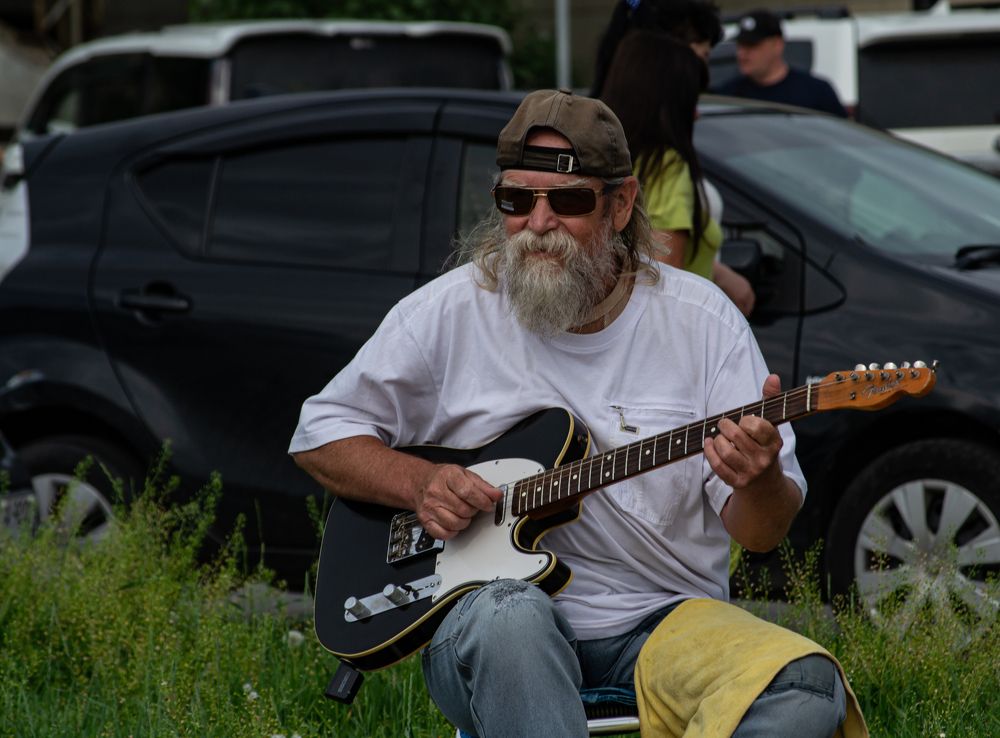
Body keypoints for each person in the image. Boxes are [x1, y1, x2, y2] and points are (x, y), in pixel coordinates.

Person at [289, 90, 866, 737]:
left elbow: (761, 534)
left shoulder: (701, 322)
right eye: (516, 200)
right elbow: (320, 434)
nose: (538, 222)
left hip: (663, 620)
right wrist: (418, 483)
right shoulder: (450, 312)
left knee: (806, 686)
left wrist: (757, 477)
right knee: (512, 621)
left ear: (621, 204)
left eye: (566, 201)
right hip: (492, 619)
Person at [591, 0, 756, 316]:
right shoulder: (665, 166)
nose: (696, 111)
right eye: (701, 58)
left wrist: (720, 274)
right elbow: (667, 286)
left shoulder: (602, 154)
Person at [714, 9, 848, 118]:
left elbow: (842, 138)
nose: (742, 54)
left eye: (752, 46)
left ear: (777, 45)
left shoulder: (815, 92)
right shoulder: (729, 95)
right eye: (740, 46)